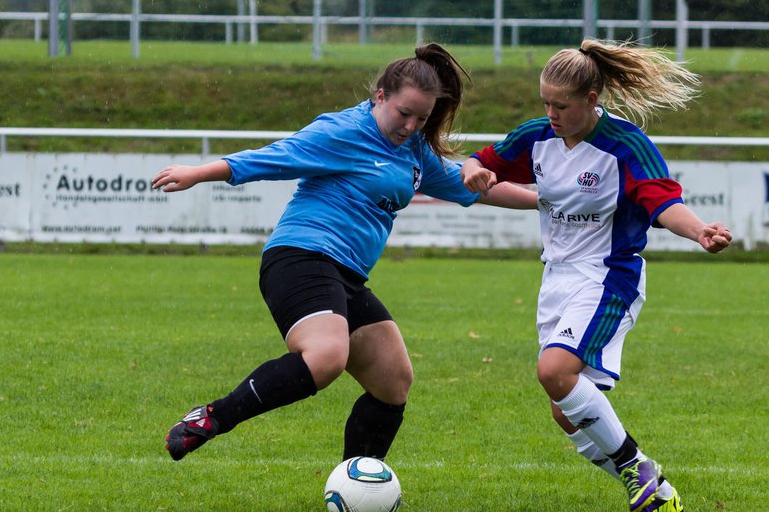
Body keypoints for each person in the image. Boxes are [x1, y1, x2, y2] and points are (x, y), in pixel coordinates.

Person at [151, 43, 536, 464]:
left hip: (346, 275)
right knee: (326, 357)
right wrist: (198, 173)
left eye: (421, 118)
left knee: (393, 381)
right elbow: (272, 158)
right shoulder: (343, 132)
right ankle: (211, 418)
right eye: (403, 113)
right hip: (300, 256)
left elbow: (476, 189)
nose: (410, 126)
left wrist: (547, 201)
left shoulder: (414, 152)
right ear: (380, 96)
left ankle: (359, 480)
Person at [461, 39, 733, 512]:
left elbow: (663, 203)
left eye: (560, 105)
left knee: (554, 372)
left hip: (609, 277)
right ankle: (656, 491)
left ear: (592, 99)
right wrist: (475, 172)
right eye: (544, 102)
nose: (551, 113)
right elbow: (482, 160)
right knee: (565, 410)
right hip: (557, 279)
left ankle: (641, 474)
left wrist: (700, 232)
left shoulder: (626, 146)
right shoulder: (537, 135)